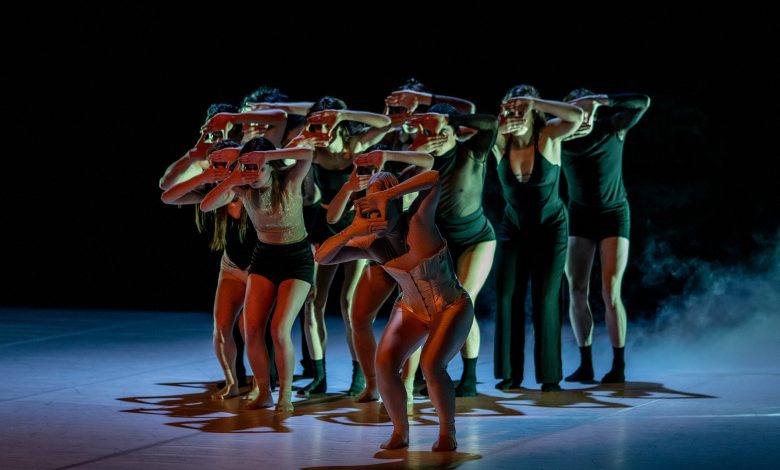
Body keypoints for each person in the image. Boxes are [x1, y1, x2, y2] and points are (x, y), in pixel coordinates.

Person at [315, 170, 472, 451]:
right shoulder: (370, 243)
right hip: (411, 309)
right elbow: (322, 257)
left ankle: (447, 431)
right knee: (385, 365)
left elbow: (434, 176)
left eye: (381, 204)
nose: (375, 213)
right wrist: (352, 230)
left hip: (452, 306)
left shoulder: (418, 221)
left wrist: (387, 193)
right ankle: (400, 431)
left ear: (396, 201)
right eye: (370, 206)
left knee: (432, 365)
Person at [200, 137, 314, 412]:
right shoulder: (242, 188)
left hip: (296, 259)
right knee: (251, 329)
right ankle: (263, 392)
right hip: (264, 258)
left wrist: (267, 156)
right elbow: (206, 205)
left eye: (259, 167)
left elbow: (307, 153)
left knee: (279, 328)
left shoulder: (289, 180)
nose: (254, 174)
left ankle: (285, 395)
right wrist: (233, 178)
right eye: (249, 167)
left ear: (270, 165)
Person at [290, 97, 392, 397]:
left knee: (349, 303)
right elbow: (283, 156)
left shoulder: (356, 145)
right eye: (316, 124)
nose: (321, 131)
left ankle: (359, 374)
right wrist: (306, 133)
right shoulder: (313, 149)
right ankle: (319, 375)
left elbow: (385, 123)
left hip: (356, 227)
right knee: (313, 300)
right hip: (324, 225)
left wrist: (342, 114)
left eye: (326, 124)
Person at [492, 84, 583, 392]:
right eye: (511, 109)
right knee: (507, 296)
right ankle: (510, 373)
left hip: (550, 227)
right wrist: (500, 121)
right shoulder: (500, 140)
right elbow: (468, 125)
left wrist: (533, 101)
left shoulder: (548, 136)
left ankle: (549, 376)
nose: (516, 115)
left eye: (522, 110)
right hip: (513, 228)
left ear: (533, 112)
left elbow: (576, 115)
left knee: (545, 298)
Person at [403, 105, 498, 397]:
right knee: (431, 309)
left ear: (456, 133)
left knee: (463, 301)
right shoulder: (421, 163)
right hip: (440, 244)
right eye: (428, 132)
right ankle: (424, 374)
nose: (435, 137)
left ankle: (469, 377)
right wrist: (417, 149)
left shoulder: (472, 151)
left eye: (442, 131)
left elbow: (491, 122)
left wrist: (451, 119)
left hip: (476, 239)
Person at [325, 148, 434, 402]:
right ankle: (373, 383)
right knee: (359, 317)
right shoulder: (361, 189)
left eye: (371, 164)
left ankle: (407, 384)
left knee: (414, 320)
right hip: (379, 258)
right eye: (363, 165)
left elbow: (429, 162)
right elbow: (332, 218)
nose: (368, 170)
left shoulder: (399, 182)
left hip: (409, 258)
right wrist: (349, 187)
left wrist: (386, 156)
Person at [561, 89, 651, 384]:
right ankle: (585, 363)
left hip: (614, 213)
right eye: (575, 108)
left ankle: (618, 364)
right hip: (580, 215)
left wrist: (603, 100)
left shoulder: (612, 126)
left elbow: (643, 101)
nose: (583, 113)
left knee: (610, 289)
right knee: (576, 289)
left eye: (586, 107)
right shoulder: (562, 136)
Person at [161, 141, 257, 398]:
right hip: (232, 265)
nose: (220, 169)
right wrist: (203, 176)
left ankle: (262, 385)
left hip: (261, 265)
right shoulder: (213, 191)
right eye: (216, 164)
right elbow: (168, 196)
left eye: (225, 163)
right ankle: (232, 382)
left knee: (250, 329)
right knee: (222, 326)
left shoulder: (254, 186)